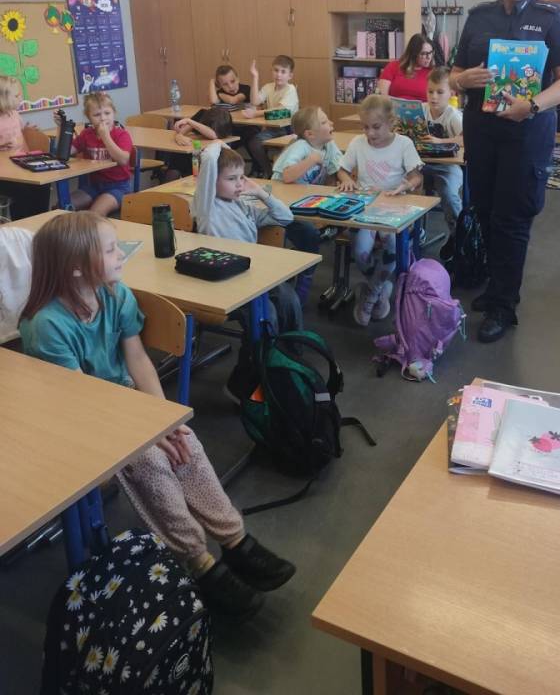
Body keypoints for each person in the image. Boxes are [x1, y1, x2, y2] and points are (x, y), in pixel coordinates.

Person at [19, 212, 296, 618]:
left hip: (123, 405)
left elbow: (138, 361)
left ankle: (236, 541)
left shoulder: (114, 294)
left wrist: (163, 421)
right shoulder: (47, 325)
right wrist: (144, 433)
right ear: (76, 267)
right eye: (110, 250)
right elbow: (82, 402)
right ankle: (198, 561)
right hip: (79, 420)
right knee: (150, 462)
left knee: (185, 442)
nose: (121, 255)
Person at [450, 0, 560, 343]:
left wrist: (533, 105)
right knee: (486, 211)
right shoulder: (478, 17)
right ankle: (495, 288)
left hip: (526, 135)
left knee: (513, 218)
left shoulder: (549, 19)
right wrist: (462, 80)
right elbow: (453, 74)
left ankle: (505, 305)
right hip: (482, 130)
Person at [194, 141, 302, 399]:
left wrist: (262, 194)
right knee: (266, 315)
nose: (239, 184)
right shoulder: (206, 207)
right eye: (231, 179)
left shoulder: (244, 207)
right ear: (211, 181)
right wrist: (218, 143)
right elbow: (208, 159)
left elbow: (286, 217)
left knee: (289, 299)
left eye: (241, 178)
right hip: (222, 283)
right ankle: (242, 383)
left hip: (251, 279)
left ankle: (287, 363)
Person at [337, 94, 423, 326]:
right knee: (361, 251)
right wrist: (347, 179)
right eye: (365, 127)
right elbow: (342, 170)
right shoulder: (358, 143)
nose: (370, 133)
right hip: (366, 209)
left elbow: (417, 177)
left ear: (391, 122)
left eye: (376, 127)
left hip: (395, 209)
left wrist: (406, 185)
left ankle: (371, 293)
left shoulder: (403, 144)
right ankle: (382, 287)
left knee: (394, 244)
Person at [271, 106, 343, 306]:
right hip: (281, 207)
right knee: (310, 237)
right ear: (310, 134)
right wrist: (311, 160)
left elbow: (338, 167)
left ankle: (300, 274)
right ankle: (302, 283)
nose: (331, 123)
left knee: (311, 237)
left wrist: (345, 179)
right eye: (324, 122)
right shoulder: (301, 147)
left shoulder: (329, 145)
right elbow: (287, 176)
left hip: (303, 205)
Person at [67, 92, 134, 216]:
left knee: (95, 213)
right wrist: (61, 128)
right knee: (63, 206)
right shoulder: (86, 134)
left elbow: (123, 160)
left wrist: (105, 136)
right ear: (89, 117)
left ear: (114, 113)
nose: (103, 118)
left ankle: (91, 229)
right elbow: (66, 152)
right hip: (93, 186)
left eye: (107, 113)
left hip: (119, 187)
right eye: (97, 115)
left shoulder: (121, 135)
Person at [422, 66, 463, 260]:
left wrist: (441, 141)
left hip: (447, 167)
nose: (434, 97)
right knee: (402, 186)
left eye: (440, 92)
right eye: (430, 91)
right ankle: (412, 232)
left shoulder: (453, 115)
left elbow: (466, 138)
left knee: (449, 195)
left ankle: (458, 235)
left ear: (451, 93)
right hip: (421, 165)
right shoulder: (421, 111)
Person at [0, 75, 50, 219]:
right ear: (3, 98)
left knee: (43, 184)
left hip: (20, 164)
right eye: (16, 96)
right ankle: (23, 222)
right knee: (21, 191)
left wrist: (28, 130)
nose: (21, 98)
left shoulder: (15, 114)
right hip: (4, 174)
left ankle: (39, 220)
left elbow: (21, 133)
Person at [244, 55, 300, 177]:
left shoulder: (290, 90)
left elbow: (279, 113)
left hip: (288, 130)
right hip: (273, 129)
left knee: (275, 149)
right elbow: (254, 101)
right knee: (254, 142)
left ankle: (274, 172)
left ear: (290, 76)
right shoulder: (268, 87)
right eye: (276, 70)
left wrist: (255, 113)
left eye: (283, 72)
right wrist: (255, 77)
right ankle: (268, 171)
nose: (278, 74)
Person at [165, 106, 233, 179]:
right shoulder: (202, 114)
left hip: (205, 157)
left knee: (192, 159)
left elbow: (214, 135)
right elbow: (181, 132)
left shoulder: (223, 123)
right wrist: (179, 137)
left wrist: (189, 121)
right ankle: (172, 175)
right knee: (179, 156)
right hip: (192, 152)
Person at [378, 34, 434, 101]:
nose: (429, 57)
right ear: (413, 54)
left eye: (430, 52)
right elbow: (382, 96)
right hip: (393, 106)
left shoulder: (433, 73)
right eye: (424, 54)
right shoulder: (393, 66)